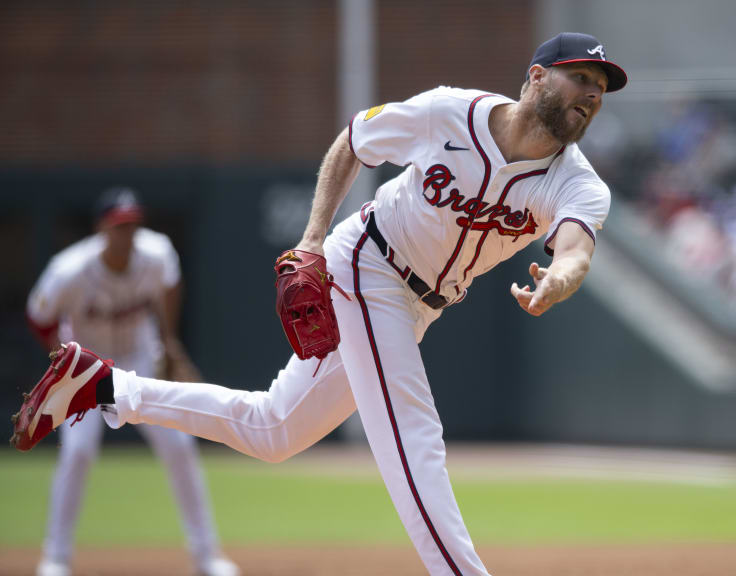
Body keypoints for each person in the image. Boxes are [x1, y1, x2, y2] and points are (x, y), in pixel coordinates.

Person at [12, 32, 627, 576]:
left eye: (601, 86)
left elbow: (574, 250)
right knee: (414, 437)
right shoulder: (449, 113)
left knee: (273, 429)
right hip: (368, 264)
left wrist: (561, 279)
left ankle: (104, 387)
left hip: (421, 306)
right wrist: (311, 239)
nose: (593, 93)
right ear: (537, 77)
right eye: (582, 77)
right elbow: (355, 140)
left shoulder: (576, 182)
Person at [20, 188, 239, 576]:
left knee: (179, 448)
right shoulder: (69, 269)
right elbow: (39, 314)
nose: (127, 233)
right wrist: (60, 362)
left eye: (133, 224)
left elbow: (171, 284)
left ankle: (207, 556)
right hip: (87, 366)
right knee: (78, 453)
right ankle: (56, 558)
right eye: (119, 225)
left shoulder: (156, 253)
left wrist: (169, 342)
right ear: (102, 228)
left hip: (139, 361)